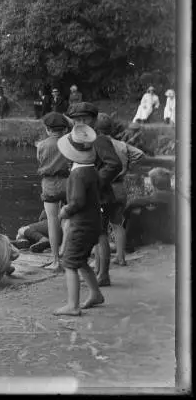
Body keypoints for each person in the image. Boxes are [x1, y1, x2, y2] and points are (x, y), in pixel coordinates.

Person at [66, 102, 123, 287]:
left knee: (101, 235)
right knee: (97, 234)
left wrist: (95, 182)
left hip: (100, 195)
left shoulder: (99, 140)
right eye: (77, 120)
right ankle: (99, 272)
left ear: (94, 120)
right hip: (92, 195)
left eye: (85, 119)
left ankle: (103, 274)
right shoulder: (81, 139)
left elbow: (114, 164)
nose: (80, 123)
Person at [53, 124, 105, 316]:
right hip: (94, 222)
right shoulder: (91, 169)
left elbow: (77, 201)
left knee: (69, 263)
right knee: (81, 260)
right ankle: (95, 294)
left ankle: (72, 305)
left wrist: (65, 210)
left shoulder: (77, 174)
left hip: (81, 225)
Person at [95, 113, 146, 266]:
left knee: (101, 229)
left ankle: (100, 264)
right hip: (119, 186)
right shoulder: (121, 144)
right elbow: (139, 154)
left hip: (105, 188)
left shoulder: (97, 144)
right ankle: (121, 257)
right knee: (118, 224)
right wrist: (128, 166)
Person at [36, 111, 71, 271]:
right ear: (64, 129)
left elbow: (40, 160)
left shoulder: (42, 145)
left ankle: (56, 260)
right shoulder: (69, 142)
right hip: (68, 183)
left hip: (49, 184)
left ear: (48, 129)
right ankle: (65, 249)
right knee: (69, 217)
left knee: (52, 220)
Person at [123, 167, 176, 249]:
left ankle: (127, 243)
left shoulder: (160, 195)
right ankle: (135, 241)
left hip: (168, 235)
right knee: (144, 210)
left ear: (154, 182)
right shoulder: (172, 195)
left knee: (135, 212)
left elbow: (132, 203)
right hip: (174, 233)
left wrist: (125, 214)